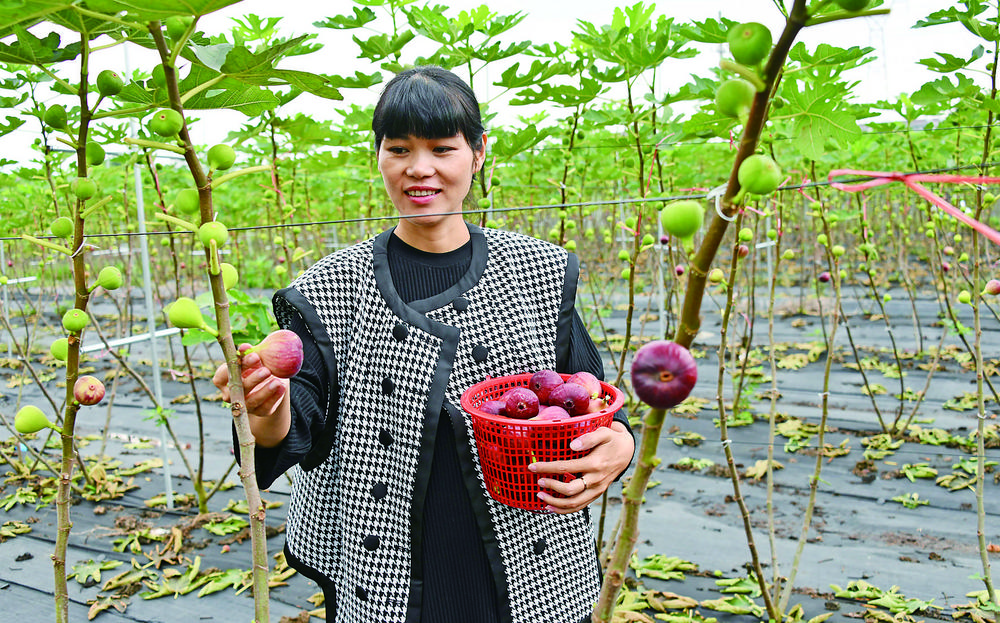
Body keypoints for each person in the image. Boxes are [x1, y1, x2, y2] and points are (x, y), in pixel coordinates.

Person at [213, 65, 635, 623]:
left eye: (442, 148)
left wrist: (621, 446)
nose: (419, 168)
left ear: (478, 153)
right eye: (398, 149)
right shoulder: (330, 288)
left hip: (531, 555)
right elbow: (294, 425)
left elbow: (589, 397)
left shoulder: (539, 271)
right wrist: (266, 401)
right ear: (379, 156)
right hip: (386, 564)